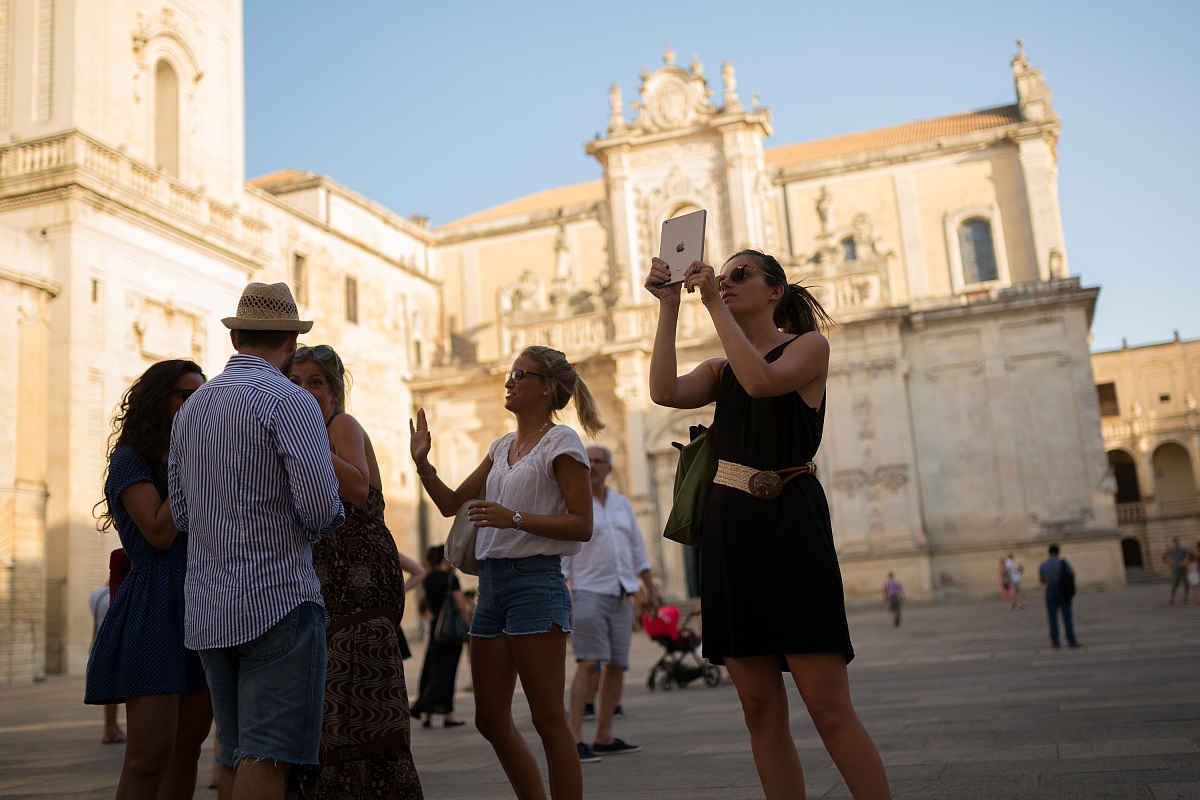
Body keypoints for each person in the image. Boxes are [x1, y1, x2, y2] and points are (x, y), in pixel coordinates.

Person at [644, 250, 890, 799]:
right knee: (758, 711)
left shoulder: (808, 347)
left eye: (740, 275)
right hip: (731, 533)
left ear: (775, 290)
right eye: (722, 276)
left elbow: (762, 383)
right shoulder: (720, 368)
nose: (727, 283)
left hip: (790, 524)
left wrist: (710, 301)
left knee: (827, 707)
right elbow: (664, 392)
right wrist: (667, 308)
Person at [168, 283, 345, 800]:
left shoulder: (193, 408)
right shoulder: (289, 401)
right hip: (278, 597)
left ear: (238, 335)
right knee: (269, 758)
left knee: (235, 753)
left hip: (208, 604)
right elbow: (319, 507)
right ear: (290, 340)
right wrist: (316, 527)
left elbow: (180, 511)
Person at [409, 345, 603, 800]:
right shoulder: (500, 447)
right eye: (509, 373)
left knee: (548, 719)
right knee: (490, 719)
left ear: (548, 386)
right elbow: (451, 503)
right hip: (492, 587)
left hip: (536, 581)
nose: (508, 381)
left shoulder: (562, 442)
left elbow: (583, 524)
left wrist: (512, 517)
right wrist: (422, 462)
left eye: (520, 374)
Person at [286, 343, 424, 798]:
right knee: (332, 699)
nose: (305, 390)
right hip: (327, 577)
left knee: (359, 689)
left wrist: (304, 438)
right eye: (296, 381)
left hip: (361, 573)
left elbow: (359, 488)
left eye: (316, 382)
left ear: (335, 393)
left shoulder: (339, 426)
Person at [84, 359, 213, 799]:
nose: (197, 405)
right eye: (186, 396)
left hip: (203, 605)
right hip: (154, 606)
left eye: (202, 395)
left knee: (187, 750)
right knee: (147, 757)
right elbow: (158, 532)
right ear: (160, 401)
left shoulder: (198, 459)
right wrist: (191, 463)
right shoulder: (130, 461)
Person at [562, 445, 659, 763]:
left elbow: (636, 545)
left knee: (618, 664)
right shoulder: (571, 503)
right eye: (587, 461)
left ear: (609, 468)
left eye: (599, 461)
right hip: (587, 591)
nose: (593, 465)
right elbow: (563, 553)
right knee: (588, 663)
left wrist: (649, 587)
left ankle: (604, 735)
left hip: (622, 591)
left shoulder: (621, 504)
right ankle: (574, 739)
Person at [411, 545, 471, 729]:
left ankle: (427, 714)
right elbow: (460, 606)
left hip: (436, 628)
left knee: (431, 669)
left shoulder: (428, 579)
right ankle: (448, 714)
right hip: (450, 631)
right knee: (447, 671)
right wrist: (468, 624)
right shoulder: (451, 579)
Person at [87, 584, 125, 745]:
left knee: (111, 691)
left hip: (98, 643)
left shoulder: (96, 594)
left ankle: (111, 728)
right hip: (112, 646)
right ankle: (110, 730)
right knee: (115, 691)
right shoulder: (115, 595)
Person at [1038, 544, 1079, 649]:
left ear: (1049, 552)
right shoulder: (1063, 563)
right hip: (1063, 591)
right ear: (1058, 552)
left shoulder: (1043, 565)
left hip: (1050, 591)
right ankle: (1071, 641)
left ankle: (1055, 642)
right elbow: (1071, 574)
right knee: (1067, 617)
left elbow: (1042, 581)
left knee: (1052, 619)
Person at [1163, 537, 1190, 605]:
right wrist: (1168, 563)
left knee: (1186, 584)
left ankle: (1185, 597)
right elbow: (1163, 557)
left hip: (1183, 569)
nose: (1177, 544)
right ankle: (1172, 599)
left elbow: (1189, 556)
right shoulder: (1170, 550)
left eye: (1178, 542)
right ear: (1173, 543)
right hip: (1175, 570)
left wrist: (1184, 562)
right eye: (1176, 543)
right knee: (1174, 585)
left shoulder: (1183, 550)